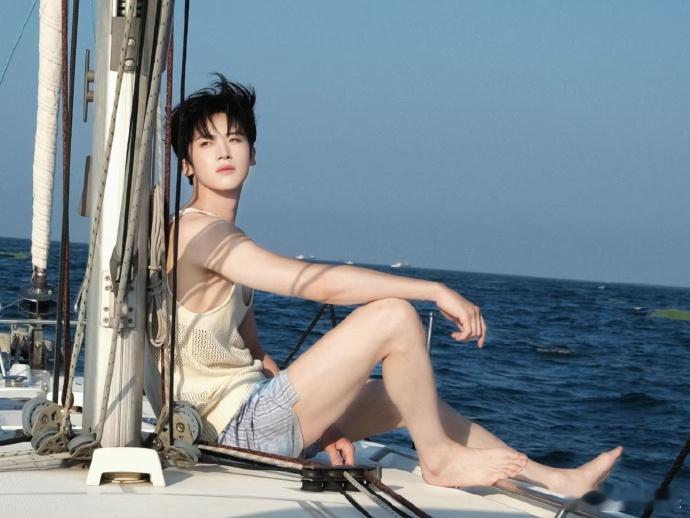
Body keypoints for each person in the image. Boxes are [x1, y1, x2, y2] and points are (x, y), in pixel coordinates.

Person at [163, 73, 621, 494]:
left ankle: (552, 479)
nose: (224, 151)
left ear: (253, 153)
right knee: (393, 315)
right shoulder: (199, 233)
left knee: (398, 397)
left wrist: (323, 427)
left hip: (257, 414)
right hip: (230, 433)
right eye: (207, 142)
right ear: (186, 164)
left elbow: (255, 355)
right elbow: (317, 285)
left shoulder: (226, 237)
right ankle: (439, 461)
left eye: (235, 138)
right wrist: (433, 290)